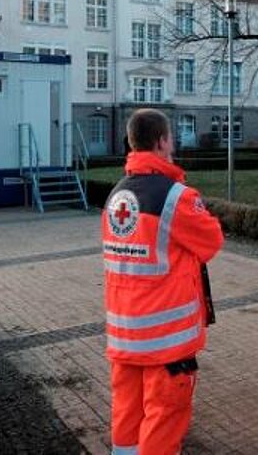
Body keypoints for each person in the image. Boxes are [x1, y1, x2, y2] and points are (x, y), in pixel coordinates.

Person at [102, 108, 224, 454]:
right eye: (171, 137)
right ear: (161, 142)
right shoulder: (176, 197)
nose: (174, 143)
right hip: (165, 340)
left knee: (127, 417)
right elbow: (212, 241)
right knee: (164, 418)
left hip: (125, 334)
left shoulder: (117, 195)